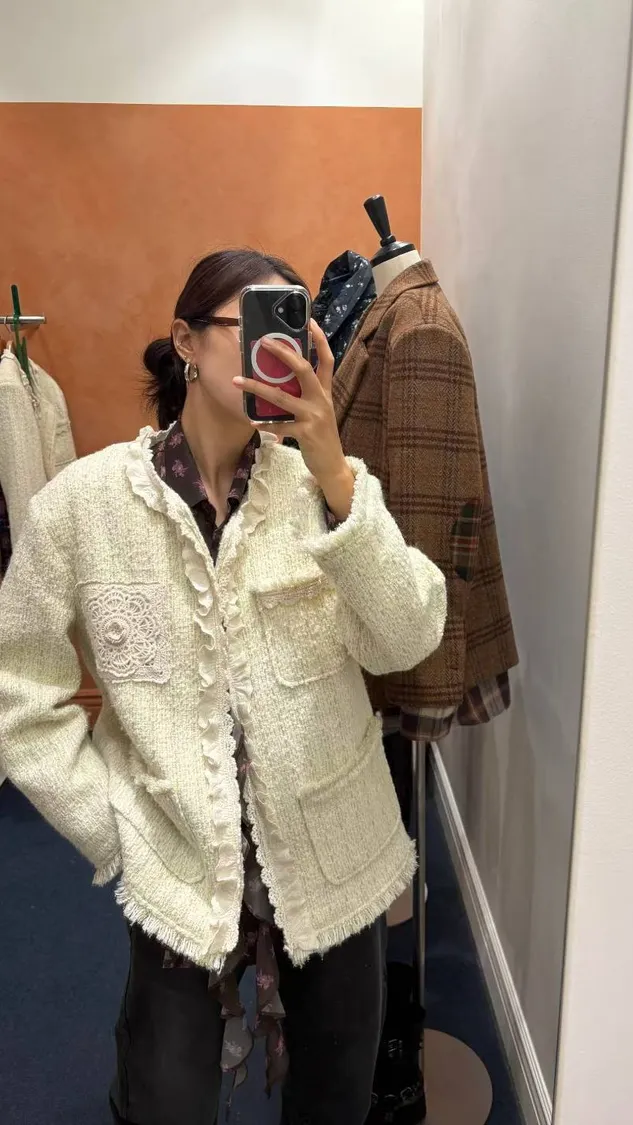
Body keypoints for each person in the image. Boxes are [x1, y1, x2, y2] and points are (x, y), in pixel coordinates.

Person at [0, 249, 448, 1125]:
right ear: (186, 343)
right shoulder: (84, 508)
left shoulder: (323, 491)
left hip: (334, 855)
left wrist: (335, 471)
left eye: (288, 337)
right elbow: (18, 684)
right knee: (163, 1098)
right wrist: (110, 822)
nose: (271, 357)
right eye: (250, 331)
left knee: (334, 1095)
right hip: (176, 861)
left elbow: (408, 634)